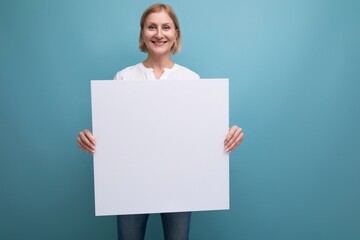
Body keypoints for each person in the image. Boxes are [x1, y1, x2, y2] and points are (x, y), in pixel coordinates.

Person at [77, 3, 244, 240]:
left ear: (176, 34)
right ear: (142, 34)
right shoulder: (123, 78)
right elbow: (113, 133)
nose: (158, 34)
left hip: (179, 181)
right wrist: (88, 138)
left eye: (166, 27)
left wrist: (229, 133)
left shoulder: (191, 79)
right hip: (130, 181)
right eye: (151, 27)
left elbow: (201, 131)